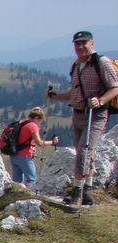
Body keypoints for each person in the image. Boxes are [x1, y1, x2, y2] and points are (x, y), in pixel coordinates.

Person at [47, 31, 118, 206]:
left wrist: (100, 101)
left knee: (84, 152)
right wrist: (56, 96)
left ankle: (77, 193)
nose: (80, 47)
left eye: (83, 43)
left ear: (92, 43)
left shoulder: (102, 63)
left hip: (96, 115)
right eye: (76, 44)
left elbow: (115, 88)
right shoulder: (77, 65)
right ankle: (88, 191)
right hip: (77, 114)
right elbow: (75, 92)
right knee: (83, 152)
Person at [9, 107, 59, 189]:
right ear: (36, 118)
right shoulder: (32, 126)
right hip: (25, 156)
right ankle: (29, 198)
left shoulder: (21, 122)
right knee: (32, 179)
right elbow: (39, 142)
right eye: (39, 120)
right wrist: (53, 142)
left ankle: (16, 198)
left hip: (14, 155)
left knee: (17, 182)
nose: (39, 123)